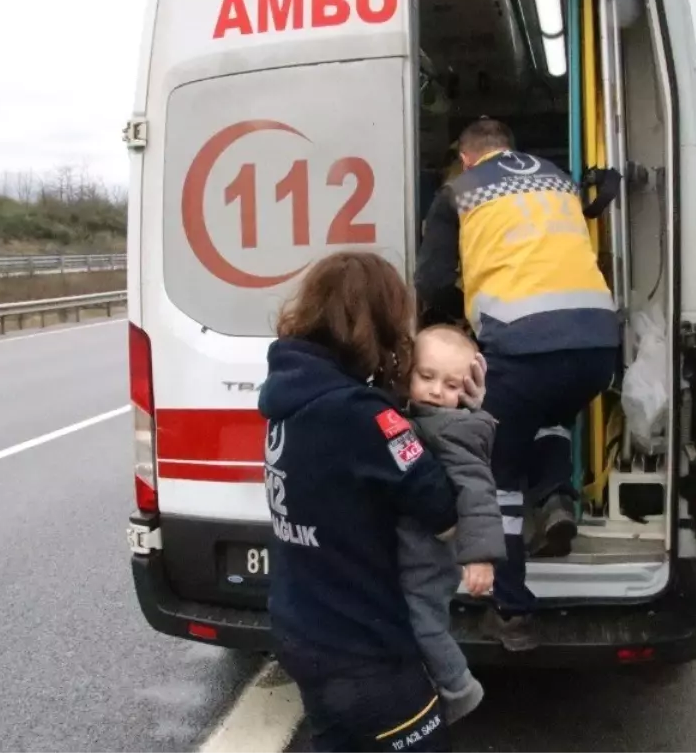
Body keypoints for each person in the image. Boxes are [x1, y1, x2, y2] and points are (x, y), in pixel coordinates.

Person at [413, 118, 620, 653]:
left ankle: (512, 611)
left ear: (465, 157)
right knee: (552, 409)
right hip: (598, 344)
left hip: (523, 347)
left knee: (495, 474)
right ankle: (555, 496)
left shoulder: (457, 192)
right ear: (509, 146)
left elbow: (433, 279)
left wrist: (438, 331)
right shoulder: (556, 177)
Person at [258, 251, 476, 752]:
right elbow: (443, 511)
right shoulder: (364, 416)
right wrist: (465, 419)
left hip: (301, 631)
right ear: (378, 322)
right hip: (364, 654)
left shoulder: (291, 394)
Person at [398, 324, 504, 725]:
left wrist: (480, 558)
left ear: (468, 388)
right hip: (409, 551)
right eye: (426, 377)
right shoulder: (416, 414)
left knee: (424, 625)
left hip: (428, 557)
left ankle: (458, 688)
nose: (437, 391)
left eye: (451, 384)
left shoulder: (453, 429)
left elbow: (478, 492)